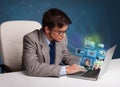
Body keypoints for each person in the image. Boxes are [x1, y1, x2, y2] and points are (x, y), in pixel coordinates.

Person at [22, 8, 86, 77]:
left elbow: (65, 56)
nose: (63, 35)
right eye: (59, 32)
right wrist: (65, 70)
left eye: (65, 31)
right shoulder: (31, 39)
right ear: (47, 29)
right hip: (32, 79)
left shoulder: (62, 37)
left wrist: (86, 62)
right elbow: (32, 67)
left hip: (53, 80)